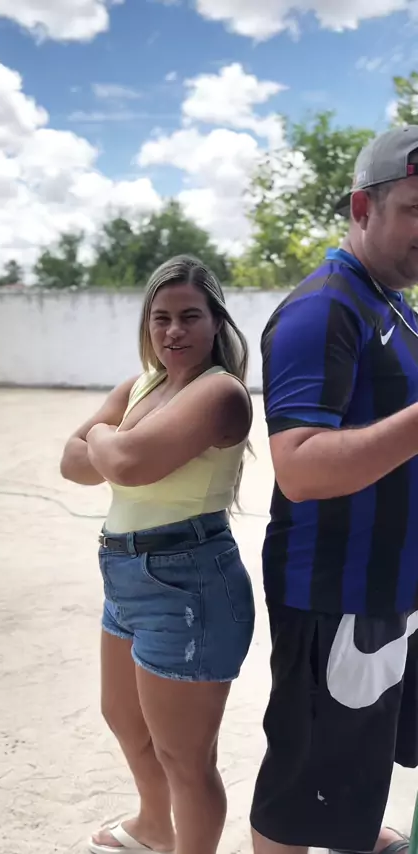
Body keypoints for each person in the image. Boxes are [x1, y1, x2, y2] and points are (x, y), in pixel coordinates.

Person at [252, 126, 418, 854]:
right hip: (333, 595)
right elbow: (301, 468)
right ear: (362, 207)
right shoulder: (324, 309)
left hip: (387, 591)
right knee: (298, 793)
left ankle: (358, 831)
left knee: (357, 758)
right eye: (415, 209)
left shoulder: (393, 303)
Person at [60, 255, 255, 854]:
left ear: (216, 322)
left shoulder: (219, 391)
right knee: (123, 717)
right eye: (161, 317)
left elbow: (125, 464)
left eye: (190, 316)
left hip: (189, 582)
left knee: (186, 758)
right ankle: (153, 825)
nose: (174, 331)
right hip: (125, 574)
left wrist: (103, 434)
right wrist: (110, 443)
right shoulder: (141, 386)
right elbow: (71, 464)